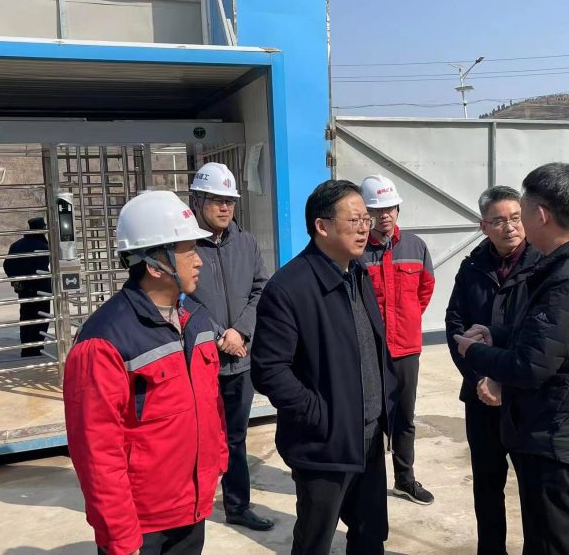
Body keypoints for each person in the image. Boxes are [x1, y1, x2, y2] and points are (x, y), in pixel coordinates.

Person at [454, 163, 569, 555]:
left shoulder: (568, 278)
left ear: (540, 215)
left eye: (522, 212)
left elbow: (529, 366)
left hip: (554, 438)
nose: (516, 224)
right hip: (556, 427)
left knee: (549, 545)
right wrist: (497, 337)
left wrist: (475, 351)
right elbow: (551, 338)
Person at [63, 191, 228, 555]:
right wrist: (120, 535)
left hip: (192, 508)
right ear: (155, 265)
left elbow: (211, 402)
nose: (199, 260)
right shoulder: (104, 341)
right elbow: (96, 452)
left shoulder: (197, 319)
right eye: (188, 251)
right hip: (142, 523)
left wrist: (217, 460)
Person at [251, 179, 397, 555]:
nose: (364, 228)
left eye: (366, 219)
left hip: (367, 436)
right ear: (322, 226)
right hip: (324, 444)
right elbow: (269, 371)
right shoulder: (289, 288)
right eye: (354, 220)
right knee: (315, 542)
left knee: (370, 535)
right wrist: (321, 415)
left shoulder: (357, 273)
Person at [445, 186, 540, 555]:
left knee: (534, 487)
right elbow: (455, 325)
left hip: (526, 396)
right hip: (481, 396)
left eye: (515, 218)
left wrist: (506, 378)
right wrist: (479, 378)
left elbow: (542, 333)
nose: (509, 227)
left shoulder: (543, 265)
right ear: (483, 226)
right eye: (498, 221)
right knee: (487, 485)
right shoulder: (472, 268)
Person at [189, 162, 273, 531]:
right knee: (198, 437)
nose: (225, 208)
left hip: (241, 361)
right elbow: (180, 298)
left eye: (230, 201)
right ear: (196, 201)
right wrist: (219, 334)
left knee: (236, 438)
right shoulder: (184, 245)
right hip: (200, 361)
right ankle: (190, 507)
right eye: (216, 200)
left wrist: (240, 331)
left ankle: (237, 506)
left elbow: (261, 290)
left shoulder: (247, 242)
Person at [360, 174, 435, 505]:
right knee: (371, 419)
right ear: (366, 214)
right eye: (377, 210)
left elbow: (425, 289)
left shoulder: (415, 246)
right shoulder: (357, 251)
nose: (385, 215)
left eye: (390, 208)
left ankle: (405, 479)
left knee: (404, 417)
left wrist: (408, 319)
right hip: (369, 351)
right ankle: (370, 482)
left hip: (405, 348)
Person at [2, 217, 52, 357]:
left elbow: (7, 265)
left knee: (26, 317)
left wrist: (16, 282)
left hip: (24, 289)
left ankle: (26, 347)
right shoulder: (43, 246)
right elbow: (42, 266)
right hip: (41, 289)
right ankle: (36, 347)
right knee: (41, 318)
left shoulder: (16, 245)